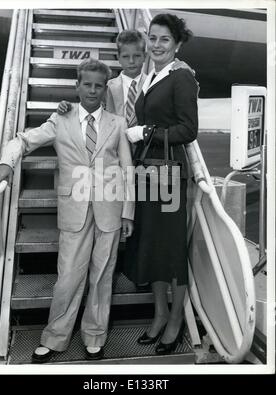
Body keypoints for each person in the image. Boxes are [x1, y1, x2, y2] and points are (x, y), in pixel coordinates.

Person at [0, 59, 134, 363]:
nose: (93, 90)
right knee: (68, 276)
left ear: (104, 88)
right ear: (77, 86)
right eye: (87, 84)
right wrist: (6, 161)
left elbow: (127, 169)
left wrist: (128, 212)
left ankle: (95, 336)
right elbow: (24, 140)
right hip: (74, 209)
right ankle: (55, 337)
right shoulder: (61, 120)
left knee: (102, 275)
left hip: (110, 208)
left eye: (99, 85)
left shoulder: (118, 122)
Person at [124, 13, 199, 355]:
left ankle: (174, 321)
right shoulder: (151, 74)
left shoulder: (181, 77)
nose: (156, 45)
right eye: (152, 38)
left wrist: (146, 132)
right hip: (148, 171)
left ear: (177, 44)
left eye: (164, 40)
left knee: (170, 249)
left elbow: (188, 130)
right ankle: (159, 314)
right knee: (151, 244)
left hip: (169, 171)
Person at [57, 29, 147, 128]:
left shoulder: (152, 84)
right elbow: (89, 108)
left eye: (137, 56)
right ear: (119, 58)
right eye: (125, 56)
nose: (131, 61)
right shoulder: (106, 87)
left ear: (145, 57)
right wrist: (69, 109)